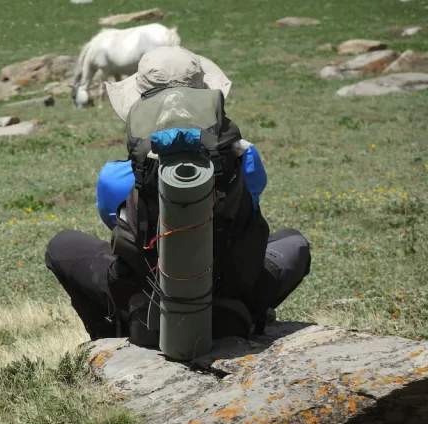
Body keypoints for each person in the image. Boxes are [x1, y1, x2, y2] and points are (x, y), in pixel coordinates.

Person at [45, 46, 311, 343]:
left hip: (150, 294)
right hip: (233, 294)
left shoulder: (114, 178)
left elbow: (119, 230)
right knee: (293, 241)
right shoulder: (246, 159)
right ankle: (246, 314)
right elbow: (249, 209)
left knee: (61, 246)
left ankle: (110, 333)